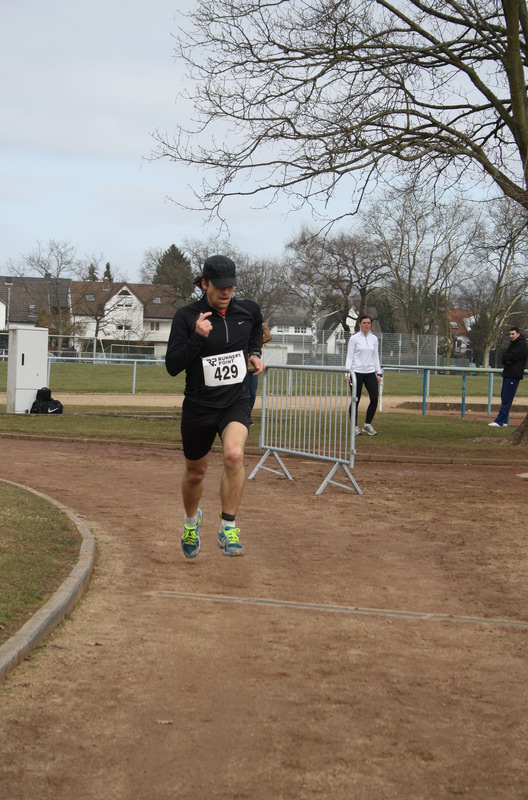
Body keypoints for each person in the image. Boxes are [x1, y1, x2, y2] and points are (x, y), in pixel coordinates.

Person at [165, 254, 266, 559]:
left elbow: (255, 329)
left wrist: (254, 353)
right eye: (220, 286)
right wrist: (197, 337)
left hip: (235, 401)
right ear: (204, 284)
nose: (226, 292)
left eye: (231, 286)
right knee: (196, 473)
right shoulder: (186, 317)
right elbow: (172, 366)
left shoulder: (247, 311)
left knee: (234, 455)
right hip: (199, 406)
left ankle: (228, 527)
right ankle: (191, 522)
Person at [345, 314, 383, 436]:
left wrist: (379, 373)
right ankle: (354, 426)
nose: (366, 325)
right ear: (360, 324)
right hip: (356, 372)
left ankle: (367, 424)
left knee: (374, 398)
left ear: (370, 325)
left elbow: (375, 356)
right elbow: (349, 356)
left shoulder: (374, 339)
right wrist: (347, 372)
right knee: (356, 399)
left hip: (370, 372)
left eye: (368, 323)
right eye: (364, 323)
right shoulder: (354, 339)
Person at [488, 325, 528, 428]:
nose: (511, 336)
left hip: (513, 375)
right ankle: (505, 421)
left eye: (513, 334)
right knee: (504, 397)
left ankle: (499, 421)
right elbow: (504, 358)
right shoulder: (513, 344)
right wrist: (507, 359)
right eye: (510, 334)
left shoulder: (522, 345)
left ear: (518, 334)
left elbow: (512, 357)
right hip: (507, 374)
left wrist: (508, 359)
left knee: (507, 398)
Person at [248, 321, 272, 416]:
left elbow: (268, 337)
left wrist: (262, 324)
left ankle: (247, 414)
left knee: (252, 393)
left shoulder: (256, 339)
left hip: (252, 367)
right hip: (240, 366)